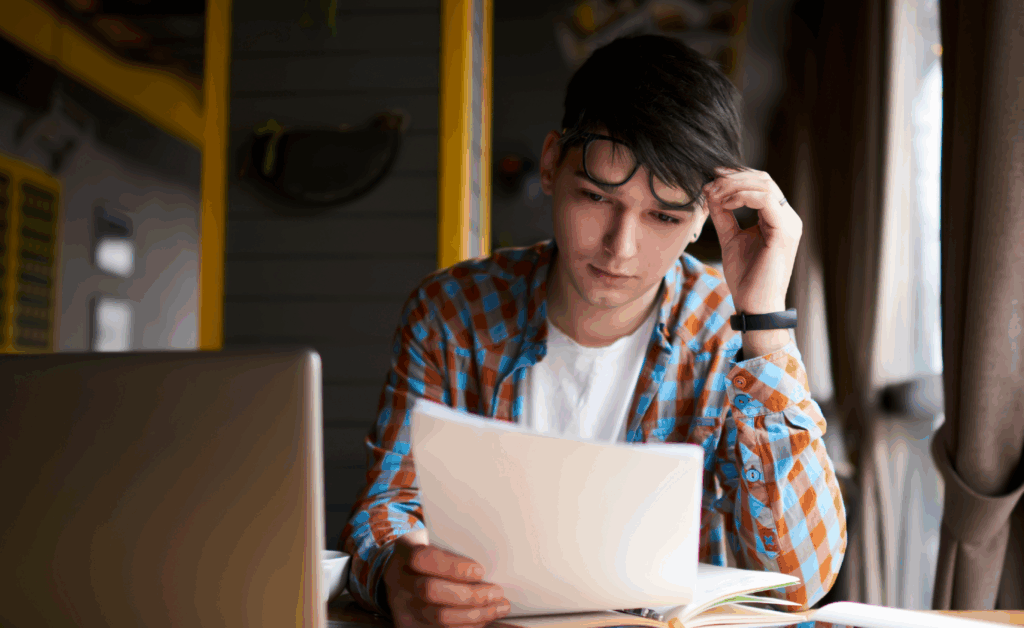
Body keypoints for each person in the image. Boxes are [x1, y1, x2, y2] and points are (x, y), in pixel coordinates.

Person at [340, 34, 847, 628]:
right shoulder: (454, 309)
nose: (621, 247)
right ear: (552, 163)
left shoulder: (725, 329)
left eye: (663, 216)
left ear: (701, 219)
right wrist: (396, 573)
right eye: (597, 197)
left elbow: (799, 585)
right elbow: (390, 505)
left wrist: (764, 321)